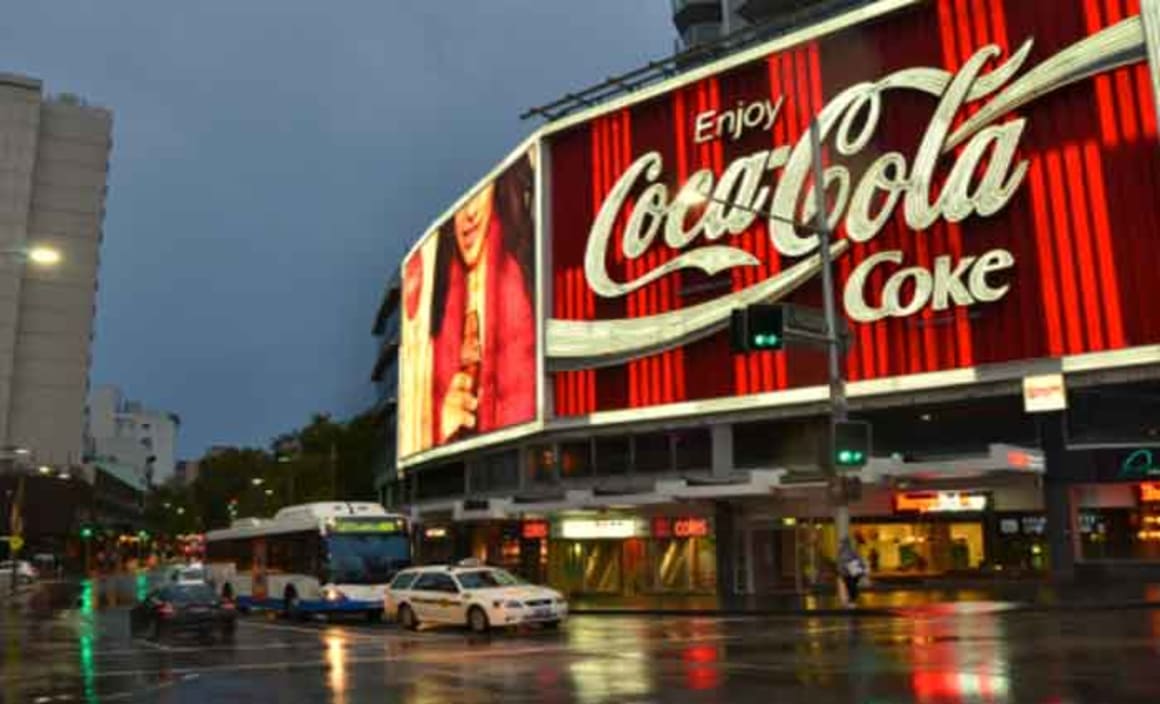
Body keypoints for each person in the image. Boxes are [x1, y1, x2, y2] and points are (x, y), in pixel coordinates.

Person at [429, 152, 536, 445]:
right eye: (463, 209)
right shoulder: (447, 303)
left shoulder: (523, 284)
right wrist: (449, 433)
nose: (470, 215)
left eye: (480, 200)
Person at [838, 537, 867, 607]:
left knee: (851, 587)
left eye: (840, 543)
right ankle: (851, 601)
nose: (838, 545)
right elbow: (858, 559)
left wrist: (842, 571)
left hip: (849, 573)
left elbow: (844, 563)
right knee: (851, 587)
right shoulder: (847, 551)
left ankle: (851, 601)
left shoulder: (845, 552)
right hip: (850, 573)